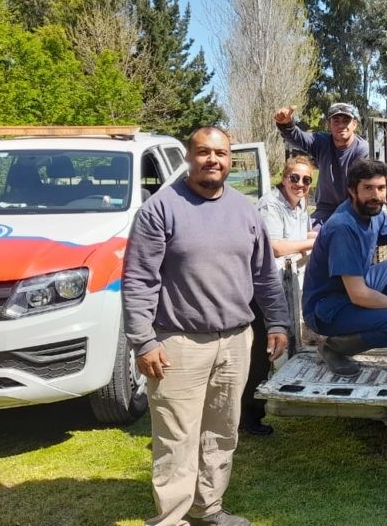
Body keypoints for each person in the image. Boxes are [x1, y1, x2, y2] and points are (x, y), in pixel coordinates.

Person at [123, 127, 290, 526]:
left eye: (221, 153)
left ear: (230, 159)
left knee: (221, 434)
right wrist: (143, 341)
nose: (212, 160)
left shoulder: (245, 210)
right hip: (178, 342)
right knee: (177, 438)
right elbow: (138, 280)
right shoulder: (160, 209)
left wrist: (279, 320)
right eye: (203, 152)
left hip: (235, 341)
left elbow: (265, 274)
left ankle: (208, 509)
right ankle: (170, 519)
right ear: (188, 157)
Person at [302, 159, 387, 376]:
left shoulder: (376, 213)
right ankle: (332, 347)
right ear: (352, 190)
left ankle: (376, 316)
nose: (376, 195)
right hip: (326, 308)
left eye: (381, 188)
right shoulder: (342, 227)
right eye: (368, 188)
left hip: (353, 288)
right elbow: (359, 294)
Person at [240, 155, 317, 436]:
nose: (300, 184)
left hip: (284, 286)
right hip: (261, 287)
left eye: (306, 180)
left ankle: (261, 405)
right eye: (294, 178)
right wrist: (313, 241)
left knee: (277, 346)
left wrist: (314, 235)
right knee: (261, 351)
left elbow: (299, 237)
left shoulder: (301, 204)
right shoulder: (270, 204)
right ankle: (247, 418)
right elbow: (275, 247)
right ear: (284, 178)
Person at [274, 102, 370, 227]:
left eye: (346, 120)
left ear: (354, 124)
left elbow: (362, 188)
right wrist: (286, 124)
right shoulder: (321, 143)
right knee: (303, 236)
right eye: (336, 121)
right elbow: (298, 137)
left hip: (353, 210)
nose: (341, 125)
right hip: (325, 211)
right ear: (328, 125)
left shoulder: (362, 150)